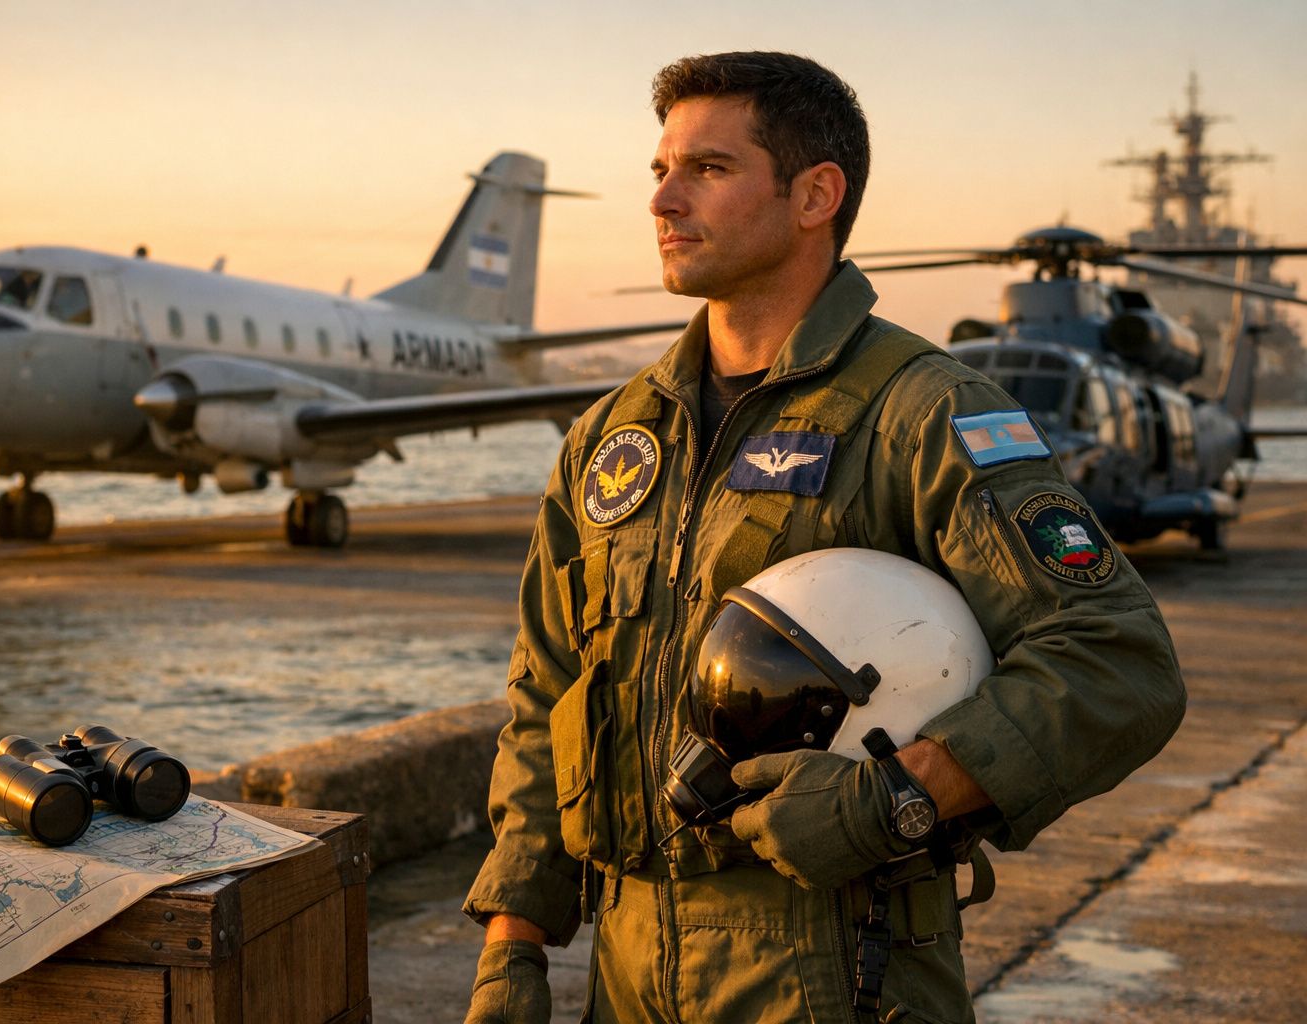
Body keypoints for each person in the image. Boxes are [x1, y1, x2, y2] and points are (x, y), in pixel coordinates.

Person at [462, 51, 1185, 1024]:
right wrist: (512, 943)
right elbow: (548, 691)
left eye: (708, 170)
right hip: (626, 971)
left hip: (836, 967)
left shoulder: (922, 413)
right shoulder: (612, 439)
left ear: (816, 195)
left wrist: (895, 798)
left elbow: (1116, 661)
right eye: (659, 170)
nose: (664, 200)